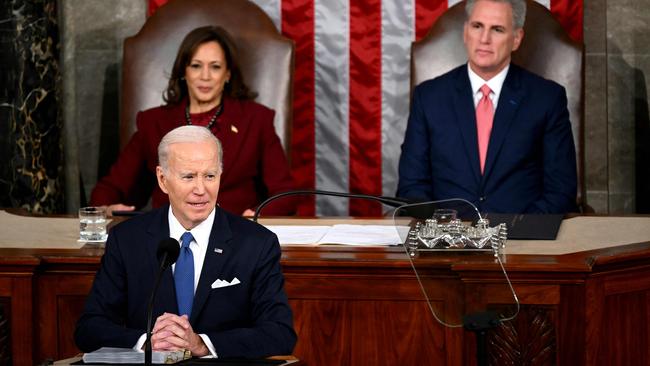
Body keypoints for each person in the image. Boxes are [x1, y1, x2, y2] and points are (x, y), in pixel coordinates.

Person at [75, 126, 297, 358]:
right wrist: (147, 342)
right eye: (189, 176)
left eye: (209, 176)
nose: (201, 190)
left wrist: (202, 344)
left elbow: (280, 333)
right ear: (162, 179)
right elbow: (89, 328)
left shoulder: (256, 243)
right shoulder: (127, 239)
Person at [90, 26, 295, 217]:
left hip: (236, 238)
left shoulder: (257, 119)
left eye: (215, 67)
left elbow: (286, 194)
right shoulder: (153, 122)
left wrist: (257, 215)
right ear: (183, 72)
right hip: (171, 240)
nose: (205, 76)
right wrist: (106, 209)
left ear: (227, 75)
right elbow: (109, 188)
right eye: (196, 66)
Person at [397, 0, 577, 214]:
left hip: (522, 240)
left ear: (516, 39)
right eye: (477, 26)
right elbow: (412, 186)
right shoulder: (429, 97)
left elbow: (560, 191)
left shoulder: (547, 98)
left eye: (497, 29)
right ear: (465, 32)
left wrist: (518, 232)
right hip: (447, 240)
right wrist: (444, 231)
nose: (484, 39)